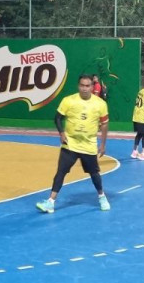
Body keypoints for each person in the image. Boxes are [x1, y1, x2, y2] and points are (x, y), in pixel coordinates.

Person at [36, 75, 110, 213]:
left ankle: (102, 197)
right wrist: (61, 133)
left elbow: (104, 124)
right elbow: (58, 118)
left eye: (87, 86)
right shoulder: (68, 100)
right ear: (78, 86)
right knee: (61, 172)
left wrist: (103, 144)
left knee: (94, 173)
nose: (84, 88)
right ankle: (50, 202)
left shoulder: (100, 104)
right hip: (70, 144)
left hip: (88, 145)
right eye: (82, 85)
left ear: (92, 87)